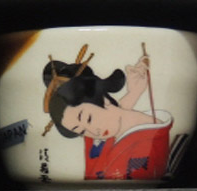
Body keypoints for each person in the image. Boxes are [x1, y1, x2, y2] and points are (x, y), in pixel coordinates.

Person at [42, 45, 174, 180]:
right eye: (81, 131)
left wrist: (134, 93)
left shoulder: (147, 141)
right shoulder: (100, 134)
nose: (94, 132)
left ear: (104, 99)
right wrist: (134, 93)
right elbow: (115, 113)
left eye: (89, 119)